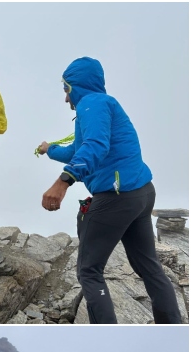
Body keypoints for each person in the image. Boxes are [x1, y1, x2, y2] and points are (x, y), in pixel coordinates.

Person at [38, 57, 180, 324]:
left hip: (115, 199)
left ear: (76, 86)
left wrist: (63, 181)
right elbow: (78, 150)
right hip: (141, 193)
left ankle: (105, 333)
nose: (66, 98)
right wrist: (50, 150)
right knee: (148, 267)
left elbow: (95, 146)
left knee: (89, 271)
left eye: (66, 89)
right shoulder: (101, 105)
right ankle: (173, 326)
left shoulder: (93, 104)